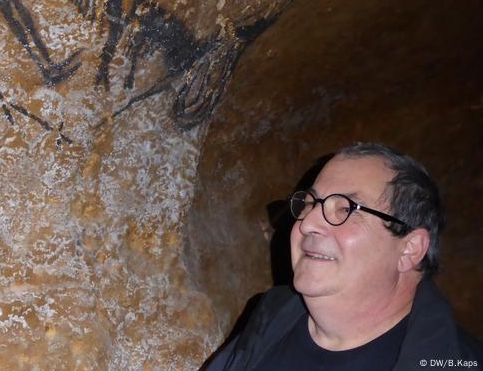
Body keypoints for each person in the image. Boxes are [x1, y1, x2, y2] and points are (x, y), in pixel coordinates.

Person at [203, 142, 482, 370]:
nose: (308, 222)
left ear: (409, 249)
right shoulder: (271, 316)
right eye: (311, 203)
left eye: (346, 209)